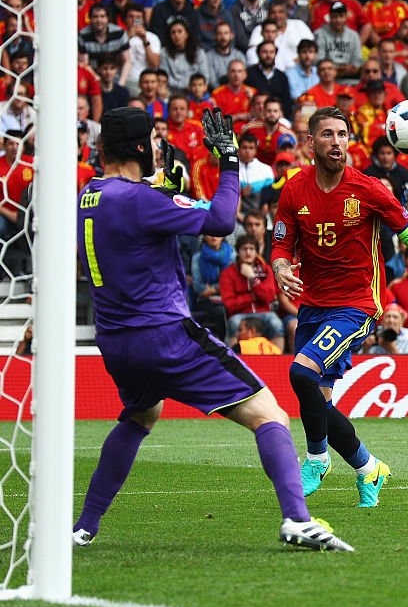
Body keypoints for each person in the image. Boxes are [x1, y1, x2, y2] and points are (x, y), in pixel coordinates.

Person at [73, 107, 350, 551]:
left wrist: (165, 186)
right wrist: (228, 162)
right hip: (164, 334)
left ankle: (84, 526)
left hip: (115, 340)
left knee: (142, 415)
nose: (163, 150)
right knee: (270, 415)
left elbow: (132, 212)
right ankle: (298, 519)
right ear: (142, 147)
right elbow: (221, 220)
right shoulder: (144, 201)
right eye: (157, 143)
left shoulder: (89, 195)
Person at [271, 106, 408, 504]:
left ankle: (317, 459)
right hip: (313, 304)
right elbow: (282, 243)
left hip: (358, 304)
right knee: (319, 401)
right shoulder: (294, 189)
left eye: (342, 134)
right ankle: (368, 468)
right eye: (327, 135)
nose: (336, 142)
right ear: (310, 142)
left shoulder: (369, 189)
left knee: (301, 374)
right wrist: (280, 265)